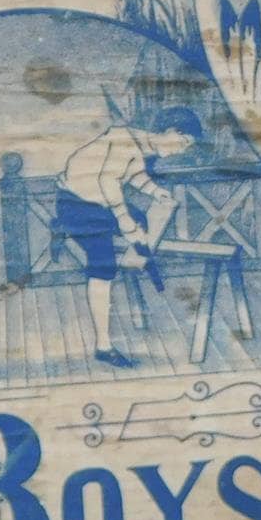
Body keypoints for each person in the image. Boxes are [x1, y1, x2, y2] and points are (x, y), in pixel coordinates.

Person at [52, 107, 200, 369]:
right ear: (170, 131)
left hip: (99, 202)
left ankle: (141, 261)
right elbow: (108, 182)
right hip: (77, 205)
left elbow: (133, 174)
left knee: (141, 221)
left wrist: (156, 192)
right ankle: (103, 346)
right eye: (184, 142)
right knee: (104, 265)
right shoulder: (124, 140)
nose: (182, 150)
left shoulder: (139, 143)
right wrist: (126, 223)